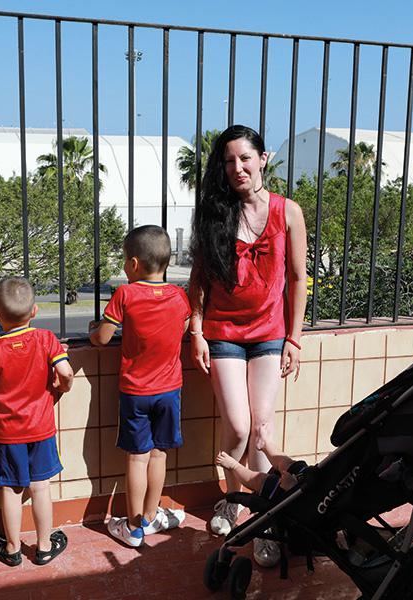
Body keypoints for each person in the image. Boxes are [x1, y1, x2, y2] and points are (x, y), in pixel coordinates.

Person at [188, 124, 308, 567]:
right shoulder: (216, 212)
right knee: (238, 427)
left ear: (263, 159)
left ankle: (264, 519)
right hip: (224, 334)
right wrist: (196, 330)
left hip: (270, 334)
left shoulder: (288, 212)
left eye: (244, 158)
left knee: (262, 429)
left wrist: (294, 337)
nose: (237, 168)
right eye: (228, 161)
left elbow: (297, 279)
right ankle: (231, 499)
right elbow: (198, 281)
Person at [89, 225, 190, 548]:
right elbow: (184, 328)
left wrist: (94, 330)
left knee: (137, 458)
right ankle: (150, 517)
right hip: (169, 390)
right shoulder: (178, 296)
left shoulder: (126, 294)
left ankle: (132, 528)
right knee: (159, 455)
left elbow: (103, 339)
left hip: (135, 392)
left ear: (133, 264)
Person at [0, 277, 74, 566]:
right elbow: (65, 372)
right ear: (35, 311)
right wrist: (63, 387)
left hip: (7, 433)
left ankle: (13, 547)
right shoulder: (46, 340)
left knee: (11, 489)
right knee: (40, 486)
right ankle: (43, 546)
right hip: (41, 429)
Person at [214, 424, 306, 503]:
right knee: (288, 463)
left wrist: (292, 488)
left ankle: (234, 466)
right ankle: (265, 444)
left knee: (260, 480)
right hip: (308, 479)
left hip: (297, 497)